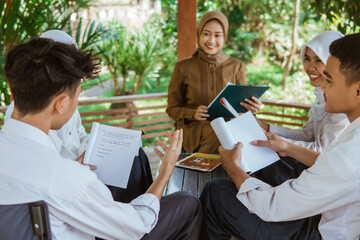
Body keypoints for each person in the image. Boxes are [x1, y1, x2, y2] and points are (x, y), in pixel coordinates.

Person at [0, 37, 202, 239]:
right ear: (60, 104)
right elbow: (136, 226)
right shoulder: (67, 179)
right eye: (77, 96)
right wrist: (164, 173)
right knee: (187, 202)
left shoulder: (60, 173)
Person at [200, 33, 360, 240]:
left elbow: (272, 207)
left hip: (320, 231)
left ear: (357, 91)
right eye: (307, 58)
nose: (321, 85)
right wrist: (288, 147)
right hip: (327, 214)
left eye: (328, 80)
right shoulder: (351, 137)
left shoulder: (348, 153)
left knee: (216, 194)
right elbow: (333, 163)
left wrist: (234, 169)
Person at [4, 30, 153, 203]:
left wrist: (105, 144)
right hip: (69, 183)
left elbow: (80, 136)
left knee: (133, 157)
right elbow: (52, 177)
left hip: (77, 170)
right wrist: (164, 173)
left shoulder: (54, 107)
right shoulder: (30, 120)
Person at [242, 31, 350, 186]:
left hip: (323, 179)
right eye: (307, 59)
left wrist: (279, 143)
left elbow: (319, 150)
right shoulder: (321, 95)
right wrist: (267, 128)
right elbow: (307, 135)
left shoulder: (343, 104)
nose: (310, 67)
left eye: (318, 60)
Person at [166, 11, 247, 154]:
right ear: (199, 34)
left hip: (228, 127)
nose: (211, 41)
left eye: (217, 35)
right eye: (206, 34)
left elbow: (242, 105)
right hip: (194, 131)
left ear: (225, 37)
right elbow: (172, 108)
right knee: (218, 134)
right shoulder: (183, 67)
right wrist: (193, 113)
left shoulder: (236, 66)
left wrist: (251, 107)